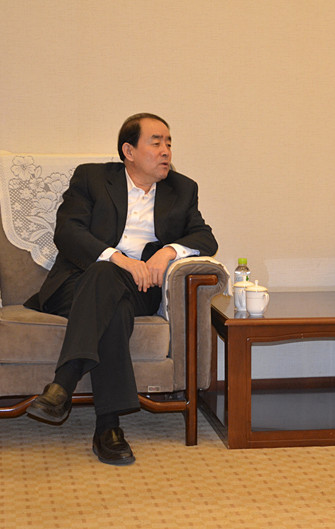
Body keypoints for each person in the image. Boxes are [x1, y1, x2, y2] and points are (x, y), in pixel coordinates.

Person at [25, 113, 218, 465]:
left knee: (111, 291)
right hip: (77, 283)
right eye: (156, 142)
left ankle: (62, 386)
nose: (166, 151)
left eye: (169, 143)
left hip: (141, 289)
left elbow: (205, 237)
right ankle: (108, 427)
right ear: (128, 151)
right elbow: (67, 232)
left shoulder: (182, 189)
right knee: (107, 285)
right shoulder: (92, 178)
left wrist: (168, 252)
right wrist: (119, 259)